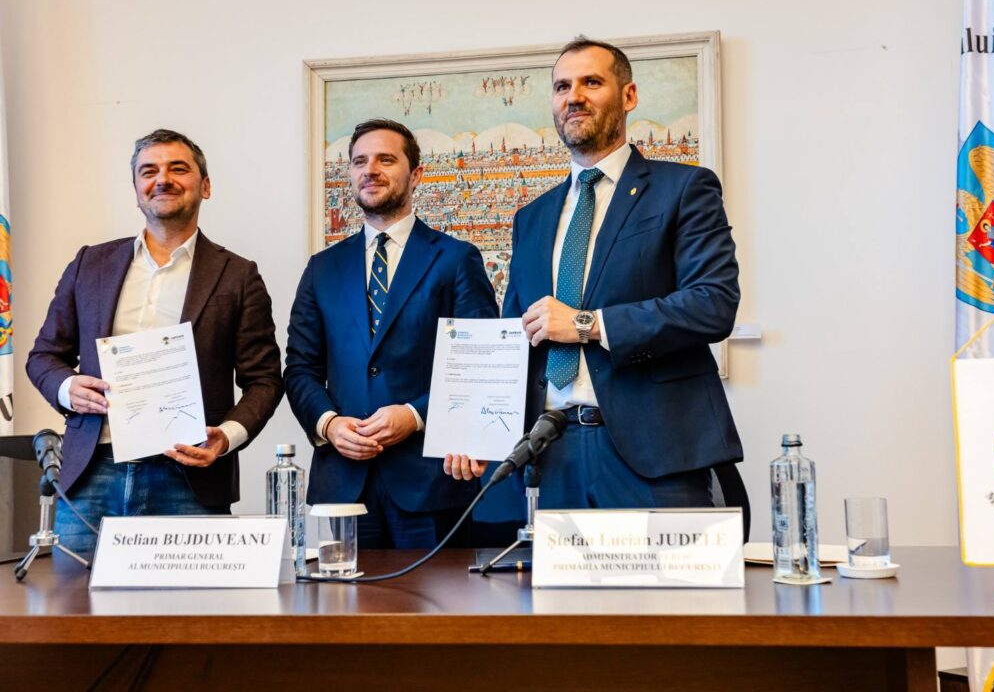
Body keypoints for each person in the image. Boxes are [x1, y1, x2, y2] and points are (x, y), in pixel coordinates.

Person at [445, 37, 750, 538]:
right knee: (555, 593)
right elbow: (514, 336)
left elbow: (712, 304)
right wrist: (477, 430)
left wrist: (587, 324)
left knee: (669, 592)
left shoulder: (684, 188)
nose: (574, 97)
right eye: (562, 86)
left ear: (628, 96)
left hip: (655, 455)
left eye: (591, 82)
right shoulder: (532, 217)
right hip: (552, 454)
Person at [26, 128, 284, 554]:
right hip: (92, 473)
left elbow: (265, 381)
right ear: (136, 190)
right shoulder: (90, 263)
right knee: (75, 597)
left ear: (205, 186)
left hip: (190, 476)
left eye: (178, 169)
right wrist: (67, 388)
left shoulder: (238, 275)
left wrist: (226, 437)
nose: (162, 179)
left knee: (191, 600)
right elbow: (44, 356)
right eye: (149, 171)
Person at [285, 118, 499, 549]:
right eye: (359, 161)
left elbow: (482, 365)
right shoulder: (323, 268)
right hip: (344, 485)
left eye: (386, 159)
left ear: (415, 174)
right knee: (346, 595)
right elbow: (300, 368)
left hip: (431, 482)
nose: (370, 170)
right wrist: (329, 424)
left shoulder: (456, 259)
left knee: (433, 597)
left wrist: (415, 415)